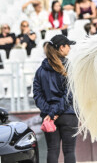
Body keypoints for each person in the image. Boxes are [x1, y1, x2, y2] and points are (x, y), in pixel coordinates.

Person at [33, 35, 78, 163]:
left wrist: (50, 112)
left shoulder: (40, 70)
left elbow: (37, 95)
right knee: (69, 151)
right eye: (68, 45)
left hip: (48, 117)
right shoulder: (69, 67)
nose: (69, 48)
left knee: (52, 150)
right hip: (68, 114)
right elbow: (70, 94)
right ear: (61, 47)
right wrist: (55, 112)